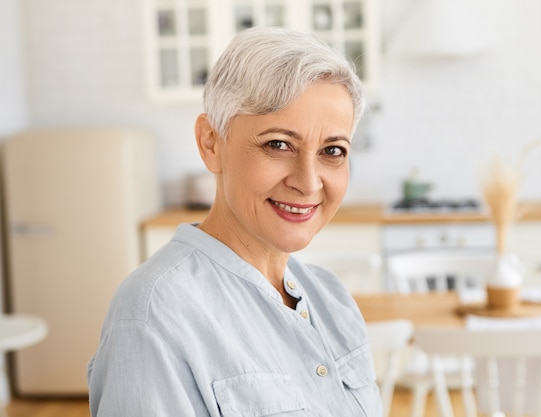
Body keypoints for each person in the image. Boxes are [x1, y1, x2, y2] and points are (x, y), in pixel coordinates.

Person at [87, 26, 381, 416]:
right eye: (278, 144)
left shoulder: (332, 299)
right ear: (211, 143)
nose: (308, 182)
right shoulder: (153, 315)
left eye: (333, 150)